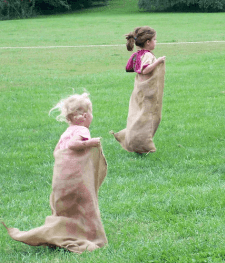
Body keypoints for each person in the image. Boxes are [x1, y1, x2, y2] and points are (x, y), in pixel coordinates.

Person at [2, 93, 108, 253]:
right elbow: (73, 145)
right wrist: (91, 143)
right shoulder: (82, 130)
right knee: (84, 205)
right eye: (91, 112)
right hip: (74, 179)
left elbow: (58, 151)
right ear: (85, 116)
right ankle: (89, 235)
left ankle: (61, 231)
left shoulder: (67, 131)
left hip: (61, 179)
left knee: (64, 207)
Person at [113, 26, 166, 154]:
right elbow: (145, 69)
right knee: (150, 117)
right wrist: (158, 62)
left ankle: (129, 137)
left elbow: (129, 68)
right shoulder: (147, 55)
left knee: (139, 115)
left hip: (139, 89)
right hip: (147, 91)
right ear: (148, 42)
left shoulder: (137, 55)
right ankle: (140, 144)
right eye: (154, 39)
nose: (156, 42)